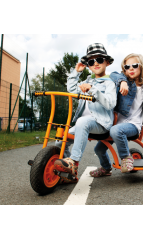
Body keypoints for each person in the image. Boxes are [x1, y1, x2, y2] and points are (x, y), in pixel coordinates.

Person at [54, 43, 116, 183]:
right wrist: (76, 72)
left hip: (101, 124)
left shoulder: (110, 83)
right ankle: (68, 173)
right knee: (60, 141)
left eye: (99, 59)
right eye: (91, 61)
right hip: (84, 124)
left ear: (107, 62)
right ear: (88, 65)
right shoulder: (87, 80)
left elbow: (110, 103)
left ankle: (73, 163)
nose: (95, 63)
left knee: (83, 122)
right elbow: (72, 89)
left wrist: (93, 89)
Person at [89, 53, 143, 177]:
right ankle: (106, 168)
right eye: (127, 67)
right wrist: (122, 81)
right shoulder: (122, 81)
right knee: (99, 149)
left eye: (134, 65)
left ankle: (126, 158)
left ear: (141, 67)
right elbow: (113, 74)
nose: (131, 69)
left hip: (133, 125)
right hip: (116, 125)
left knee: (116, 130)